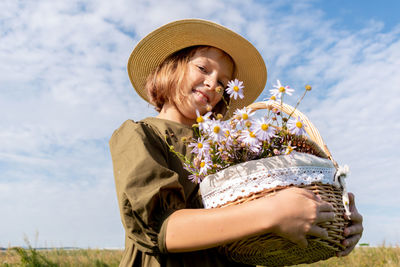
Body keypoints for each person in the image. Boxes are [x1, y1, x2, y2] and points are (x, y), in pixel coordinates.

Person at [109, 19, 363, 267]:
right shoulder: (141, 135)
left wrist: (333, 221)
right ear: (171, 67)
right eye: (203, 69)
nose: (213, 84)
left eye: (222, 83)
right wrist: (272, 212)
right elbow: (166, 230)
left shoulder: (230, 148)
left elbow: (257, 226)